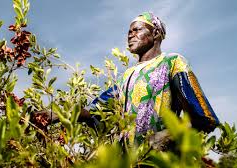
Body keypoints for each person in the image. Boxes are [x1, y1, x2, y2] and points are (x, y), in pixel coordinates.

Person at [46, 12, 219, 146]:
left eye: (137, 30)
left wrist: (163, 137)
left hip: (159, 160)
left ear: (156, 33)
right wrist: (57, 115)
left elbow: (204, 118)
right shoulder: (127, 77)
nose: (130, 35)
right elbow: (95, 110)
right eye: (129, 32)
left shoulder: (172, 63)